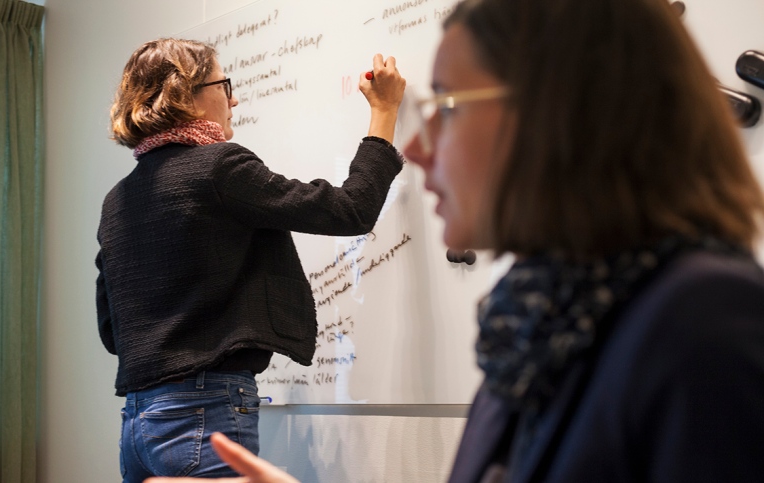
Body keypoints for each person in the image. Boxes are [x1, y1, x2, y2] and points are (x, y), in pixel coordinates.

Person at [143, 0, 764, 481]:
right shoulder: (533, 326)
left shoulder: (704, 320)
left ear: (564, 113)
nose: (415, 145)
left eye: (450, 105)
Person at [96, 37, 405, 481]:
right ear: (186, 93)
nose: (234, 97)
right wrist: (385, 112)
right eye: (224, 84)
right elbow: (351, 210)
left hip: (138, 425)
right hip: (205, 417)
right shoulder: (219, 167)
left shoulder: (117, 199)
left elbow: (113, 331)